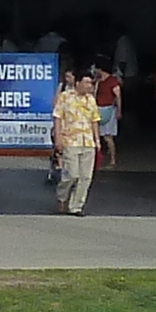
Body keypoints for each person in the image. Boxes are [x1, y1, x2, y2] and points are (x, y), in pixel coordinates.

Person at [51, 65, 101, 214]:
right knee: (72, 174)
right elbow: (58, 117)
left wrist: (97, 140)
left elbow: (94, 120)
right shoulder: (65, 97)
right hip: (70, 141)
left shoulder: (91, 100)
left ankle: (76, 206)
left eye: (90, 83)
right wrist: (58, 138)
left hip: (87, 141)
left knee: (86, 177)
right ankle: (62, 196)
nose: (89, 86)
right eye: (86, 83)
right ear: (77, 83)